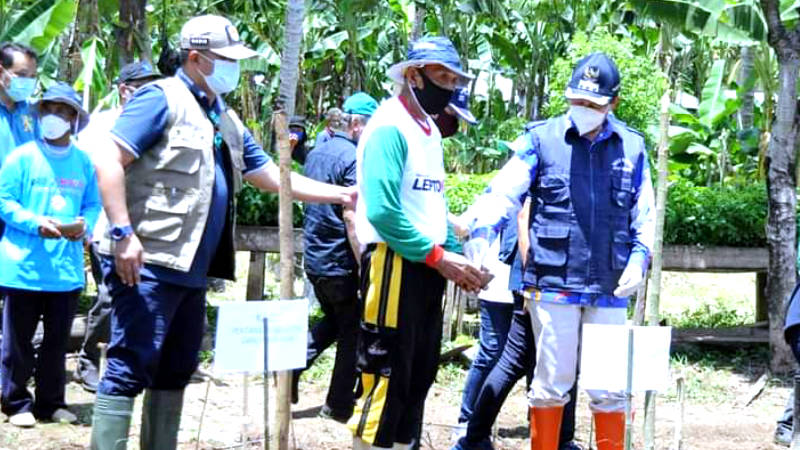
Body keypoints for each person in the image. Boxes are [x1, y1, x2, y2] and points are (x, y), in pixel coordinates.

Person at [89, 15, 355, 450]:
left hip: (192, 269)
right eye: (225, 59)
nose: (235, 69)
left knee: (176, 368)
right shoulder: (161, 98)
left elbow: (268, 173)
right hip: (149, 262)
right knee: (129, 364)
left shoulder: (221, 115)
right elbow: (107, 160)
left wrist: (342, 195)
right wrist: (122, 233)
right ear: (196, 58)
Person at [463, 52, 655, 450]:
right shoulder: (539, 139)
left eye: (593, 104)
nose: (583, 109)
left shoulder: (632, 148)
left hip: (610, 287)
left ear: (612, 104)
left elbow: (645, 214)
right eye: (578, 101)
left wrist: (640, 258)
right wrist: (483, 230)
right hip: (552, 285)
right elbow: (504, 192)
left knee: (609, 387)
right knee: (549, 384)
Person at [348, 36, 484, 450]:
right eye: (441, 77)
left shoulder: (428, 131)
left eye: (454, 79)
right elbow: (385, 212)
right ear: (413, 75)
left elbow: (432, 207)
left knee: (418, 372)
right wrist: (442, 259)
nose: (449, 86)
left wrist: (458, 261)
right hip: (394, 263)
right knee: (385, 370)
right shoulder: (390, 127)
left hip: (427, 266)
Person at [0, 82, 101, 427]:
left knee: (57, 344)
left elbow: (93, 203)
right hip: (23, 266)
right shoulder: (22, 158)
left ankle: (51, 403)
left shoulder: (83, 162)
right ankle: (16, 403)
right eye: (49, 110)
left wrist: (84, 225)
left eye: (63, 111)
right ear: (40, 114)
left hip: (65, 269)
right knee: (17, 344)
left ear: (74, 119)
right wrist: (34, 223)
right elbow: (4, 201)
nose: (54, 117)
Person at [72, 60, 161, 393]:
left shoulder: (157, 122)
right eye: (143, 86)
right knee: (110, 297)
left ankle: (126, 365)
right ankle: (87, 361)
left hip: (147, 230)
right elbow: (85, 174)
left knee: (137, 298)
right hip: (106, 228)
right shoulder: (101, 125)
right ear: (125, 90)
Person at [295, 91, 379, 423]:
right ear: (356, 124)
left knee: (334, 321)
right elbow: (350, 216)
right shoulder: (353, 158)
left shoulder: (317, 152)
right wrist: (364, 264)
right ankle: (338, 404)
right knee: (352, 331)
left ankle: (291, 366)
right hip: (341, 262)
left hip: (315, 258)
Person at [0, 42, 39, 239]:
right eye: (22, 75)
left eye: (32, 77)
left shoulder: (34, 112)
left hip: (25, 210)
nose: (28, 82)